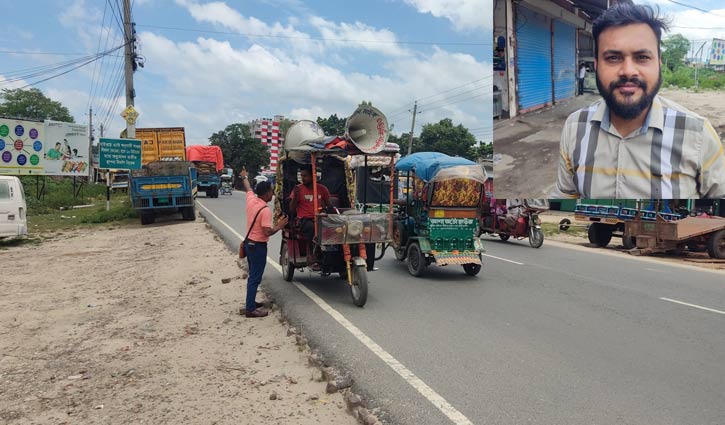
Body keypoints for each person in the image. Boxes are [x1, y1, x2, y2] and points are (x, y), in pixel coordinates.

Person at [551, 1, 725, 199]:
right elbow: (565, 195)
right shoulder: (575, 127)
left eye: (642, 57)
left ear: (658, 63)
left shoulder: (698, 135)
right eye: (613, 58)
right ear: (597, 64)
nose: (628, 71)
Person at [239, 167, 288, 318]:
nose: (273, 194)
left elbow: (247, 188)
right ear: (266, 193)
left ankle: (251, 303)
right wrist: (280, 225)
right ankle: (250, 309)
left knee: (253, 275)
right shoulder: (265, 210)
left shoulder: (252, 200)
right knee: (255, 277)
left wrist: (244, 177)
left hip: (249, 244)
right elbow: (267, 231)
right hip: (258, 246)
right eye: (272, 191)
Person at [288, 165, 331, 267]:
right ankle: (310, 253)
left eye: (305, 176)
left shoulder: (322, 189)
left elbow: (329, 205)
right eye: (301, 176)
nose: (303, 178)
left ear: (313, 176)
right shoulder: (298, 189)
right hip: (304, 219)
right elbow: (291, 209)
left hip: (320, 218)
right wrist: (296, 197)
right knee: (312, 228)